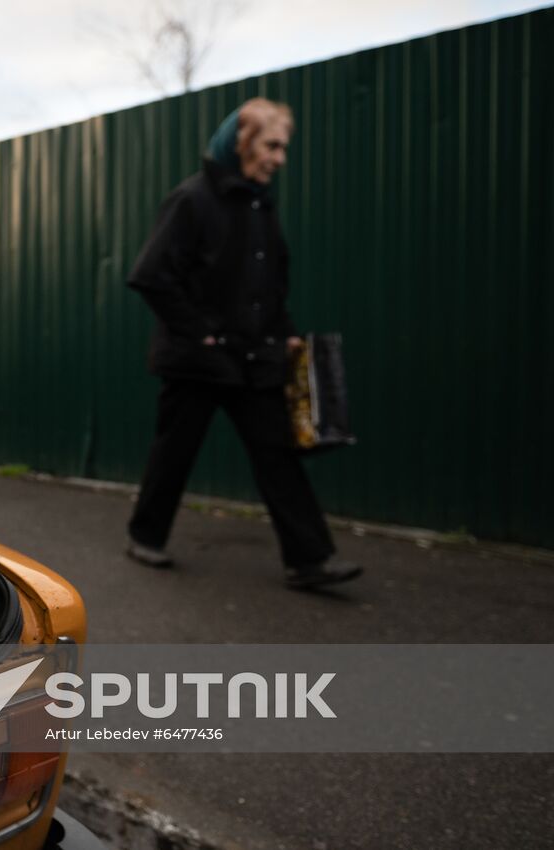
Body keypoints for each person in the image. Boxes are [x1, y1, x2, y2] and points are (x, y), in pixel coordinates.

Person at [124, 97, 361, 590]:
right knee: (174, 453)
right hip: (197, 361)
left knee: (279, 454)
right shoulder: (192, 200)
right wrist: (199, 332)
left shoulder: (260, 207)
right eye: (273, 146)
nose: (279, 157)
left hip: (254, 360)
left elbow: (268, 288)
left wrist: (286, 334)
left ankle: (310, 560)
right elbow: (150, 276)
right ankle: (144, 536)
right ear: (242, 142)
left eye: (283, 148)